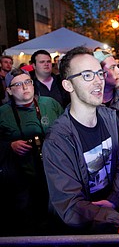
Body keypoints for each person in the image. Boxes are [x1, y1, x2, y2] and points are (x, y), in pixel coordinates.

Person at [42, 46, 119, 246]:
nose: (98, 80)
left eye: (99, 73)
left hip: (109, 223)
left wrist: (113, 201)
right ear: (68, 85)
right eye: (86, 75)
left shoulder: (111, 118)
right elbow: (69, 206)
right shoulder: (58, 140)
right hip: (77, 235)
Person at [0, 68, 63, 236]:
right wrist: (9, 146)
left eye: (27, 82)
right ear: (9, 90)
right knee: (28, 224)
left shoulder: (50, 104)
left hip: (54, 176)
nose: (25, 87)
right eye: (18, 84)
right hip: (22, 182)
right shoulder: (3, 113)